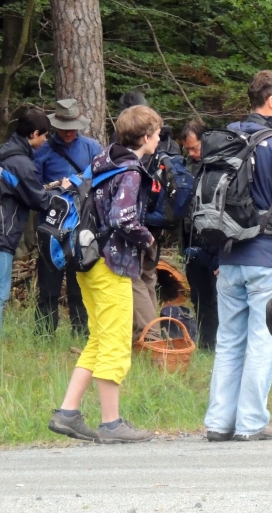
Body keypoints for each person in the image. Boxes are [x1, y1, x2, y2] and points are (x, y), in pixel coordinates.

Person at [48, 105, 160, 443]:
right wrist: (149, 240)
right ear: (146, 136)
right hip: (112, 264)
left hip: (87, 260)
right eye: (157, 133)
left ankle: (68, 412)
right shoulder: (131, 171)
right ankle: (112, 423)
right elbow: (123, 218)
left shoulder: (103, 161)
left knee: (98, 338)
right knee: (115, 342)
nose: (159, 139)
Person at [203, 71, 272, 442]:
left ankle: (218, 422)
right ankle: (251, 423)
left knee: (229, 341)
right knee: (262, 342)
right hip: (266, 259)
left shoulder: (226, 138)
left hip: (228, 258)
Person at [115, 91, 181, 344]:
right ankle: (151, 335)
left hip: (141, 228)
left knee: (138, 279)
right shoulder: (166, 146)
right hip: (152, 226)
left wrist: (144, 236)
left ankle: (148, 336)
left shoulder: (126, 157)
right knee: (145, 277)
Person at [33, 98, 100, 336]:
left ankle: (82, 333)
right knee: (48, 284)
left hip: (82, 226)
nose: (69, 132)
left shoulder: (92, 148)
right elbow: (34, 190)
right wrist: (57, 190)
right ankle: (44, 333)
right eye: (64, 128)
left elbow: (102, 183)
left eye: (73, 128)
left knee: (79, 285)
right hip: (51, 226)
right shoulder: (43, 151)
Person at [0, 110, 61, 330]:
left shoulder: (5, 152)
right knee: (1, 293)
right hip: (3, 235)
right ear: (34, 134)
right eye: (44, 135)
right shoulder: (20, 164)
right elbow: (39, 200)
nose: (45, 140)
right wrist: (60, 189)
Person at [180, 119, 219, 350]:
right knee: (198, 295)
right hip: (191, 240)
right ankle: (205, 343)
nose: (192, 153)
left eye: (195, 148)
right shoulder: (187, 167)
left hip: (215, 241)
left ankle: (218, 344)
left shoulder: (221, 166)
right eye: (188, 149)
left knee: (216, 296)